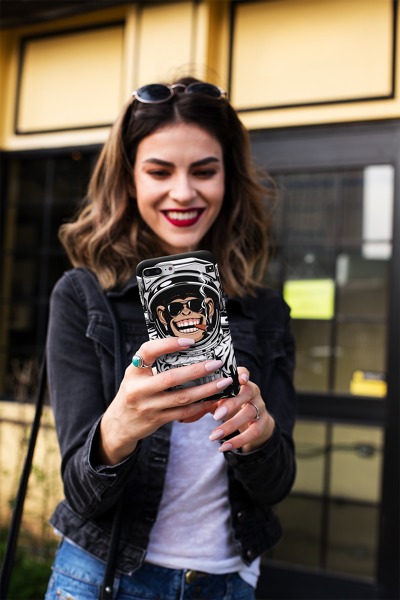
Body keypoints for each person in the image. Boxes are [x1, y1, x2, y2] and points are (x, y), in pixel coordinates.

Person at [45, 76, 297, 600]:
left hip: (226, 582)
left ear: (229, 178)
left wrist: (260, 434)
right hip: (101, 578)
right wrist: (120, 427)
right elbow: (81, 494)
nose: (183, 192)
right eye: (159, 171)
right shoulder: (84, 296)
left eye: (204, 171)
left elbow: (277, 486)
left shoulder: (266, 309)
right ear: (129, 179)